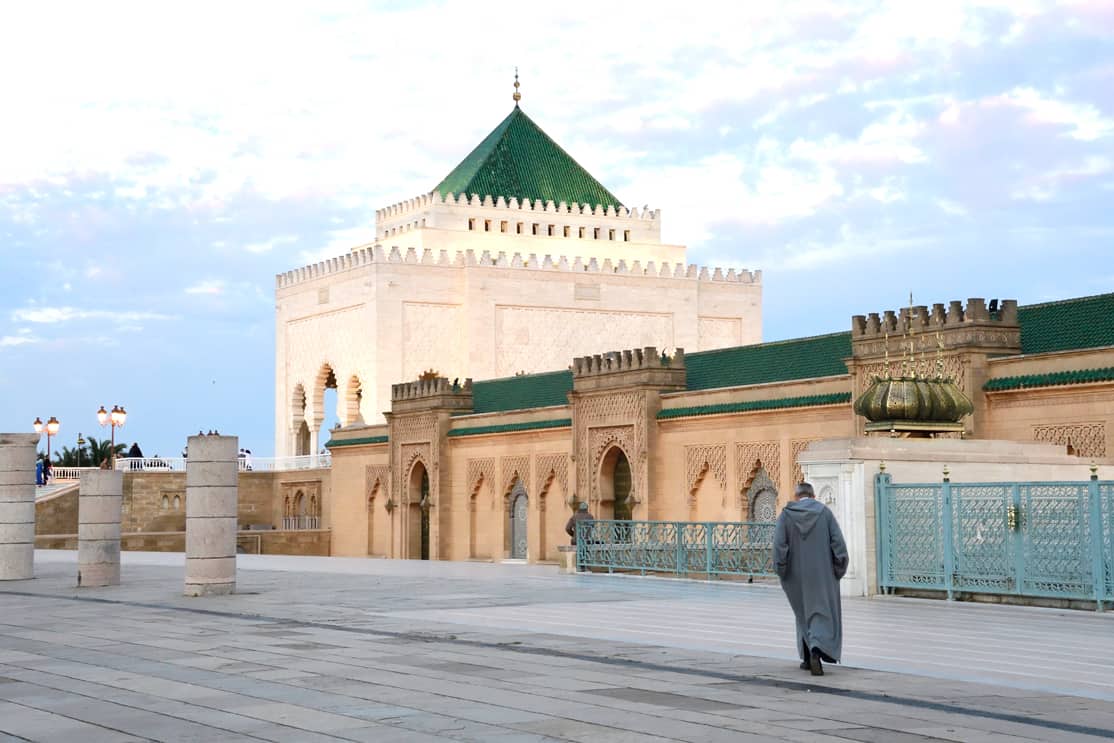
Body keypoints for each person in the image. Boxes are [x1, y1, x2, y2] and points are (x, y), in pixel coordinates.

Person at [773, 482, 849, 676]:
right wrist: (838, 570)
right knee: (820, 612)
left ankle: (808, 657)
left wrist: (782, 571)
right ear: (814, 496)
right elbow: (838, 544)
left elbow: (779, 547)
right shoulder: (825, 513)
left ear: (797, 497)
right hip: (822, 573)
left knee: (802, 613)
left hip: (796, 575)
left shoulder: (786, 515)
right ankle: (816, 651)